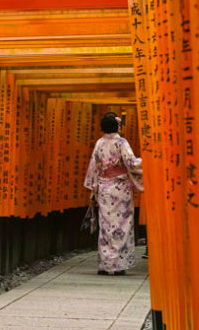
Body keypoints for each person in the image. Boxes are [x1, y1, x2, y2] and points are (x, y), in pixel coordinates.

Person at [84, 112, 143, 276]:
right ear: (117, 126)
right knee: (121, 225)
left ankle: (105, 264)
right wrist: (145, 161)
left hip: (104, 188)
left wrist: (94, 187)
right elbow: (131, 162)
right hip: (120, 188)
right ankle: (118, 264)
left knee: (106, 226)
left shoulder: (99, 143)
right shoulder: (121, 143)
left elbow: (94, 166)